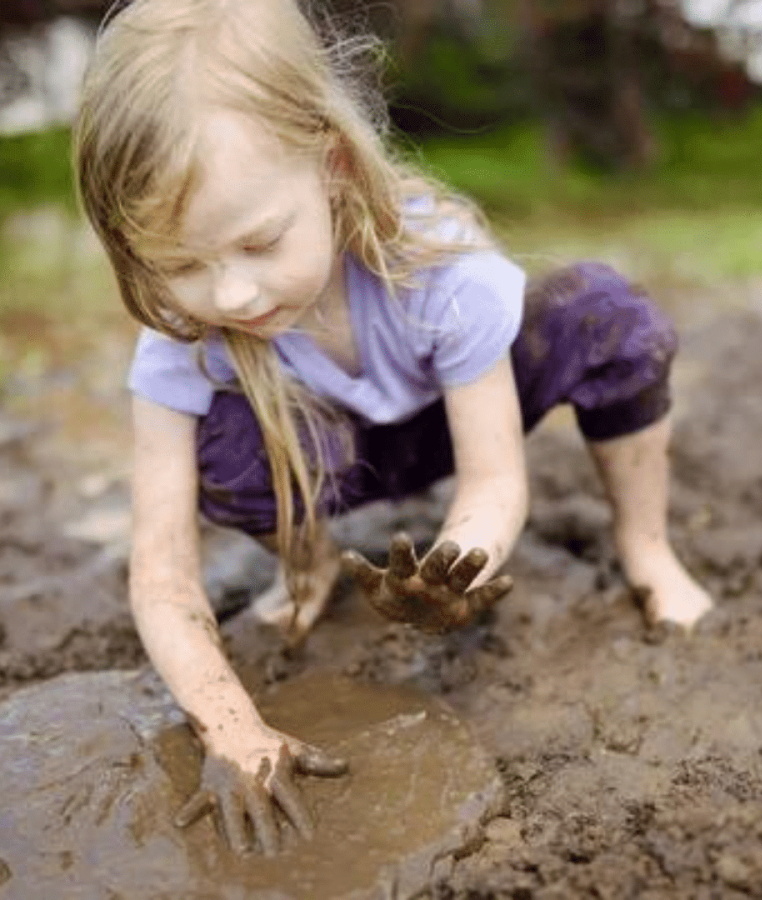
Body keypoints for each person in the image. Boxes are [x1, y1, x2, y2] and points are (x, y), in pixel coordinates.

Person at [73, 0, 712, 856]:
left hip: (459, 418)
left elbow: (492, 482)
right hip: (329, 457)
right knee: (217, 443)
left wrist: (458, 567)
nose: (231, 296)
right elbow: (159, 573)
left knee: (612, 318)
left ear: (332, 166)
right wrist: (231, 727)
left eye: (260, 243)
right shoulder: (183, 348)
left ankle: (647, 548)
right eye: (181, 265)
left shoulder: (437, 265)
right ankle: (306, 571)